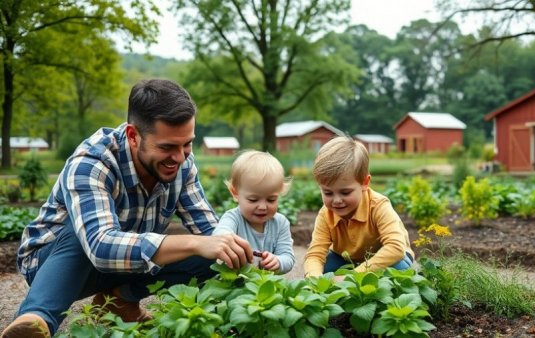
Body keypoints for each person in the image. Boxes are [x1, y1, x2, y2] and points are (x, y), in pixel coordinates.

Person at [1, 79, 253, 338]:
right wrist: (194, 243)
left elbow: (211, 229)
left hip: (124, 265)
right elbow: (100, 247)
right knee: (84, 231)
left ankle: (121, 300)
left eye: (187, 144)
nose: (179, 156)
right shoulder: (92, 162)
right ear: (133, 136)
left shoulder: (181, 164)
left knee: (216, 250)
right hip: (56, 264)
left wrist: (251, 257)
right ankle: (36, 317)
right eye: (167, 147)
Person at [303, 136, 414, 278]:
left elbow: (396, 248)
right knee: (324, 266)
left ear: (364, 182)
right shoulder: (326, 214)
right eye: (328, 192)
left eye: (345, 192)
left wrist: (353, 277)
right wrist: (315, 279)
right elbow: (315, 254)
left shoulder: (379, 206)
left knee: (400, 271)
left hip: (388, 258)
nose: (337, 200)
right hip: (347, 259)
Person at [212, 150, 295, 273]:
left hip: (265, 286)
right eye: (253, 199)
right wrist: (227, 240)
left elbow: (288, 257)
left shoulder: (281, 223)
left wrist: (278, 261)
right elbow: (220, 234)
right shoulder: (233, 218)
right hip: (236, 282)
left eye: (271, 200)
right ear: (235, 193)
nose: (262, 207)